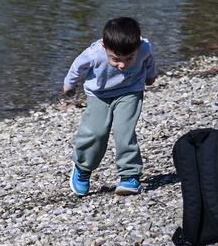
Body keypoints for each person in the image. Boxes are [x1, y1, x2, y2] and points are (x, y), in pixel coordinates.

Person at [62, 16, 157, 197]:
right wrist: (69, 84)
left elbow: (149, 60)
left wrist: (151, 76)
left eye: (129, 59)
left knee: (124, 131)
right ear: (105, 47)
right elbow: (77, 67)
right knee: (96, 132)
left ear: (137, 47)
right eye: (115, 59)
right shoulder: (94, 53)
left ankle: (130, 175)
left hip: (130, 91)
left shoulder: (144, 48)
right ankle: (82, 167)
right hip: (100, 95)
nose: (122, 65)